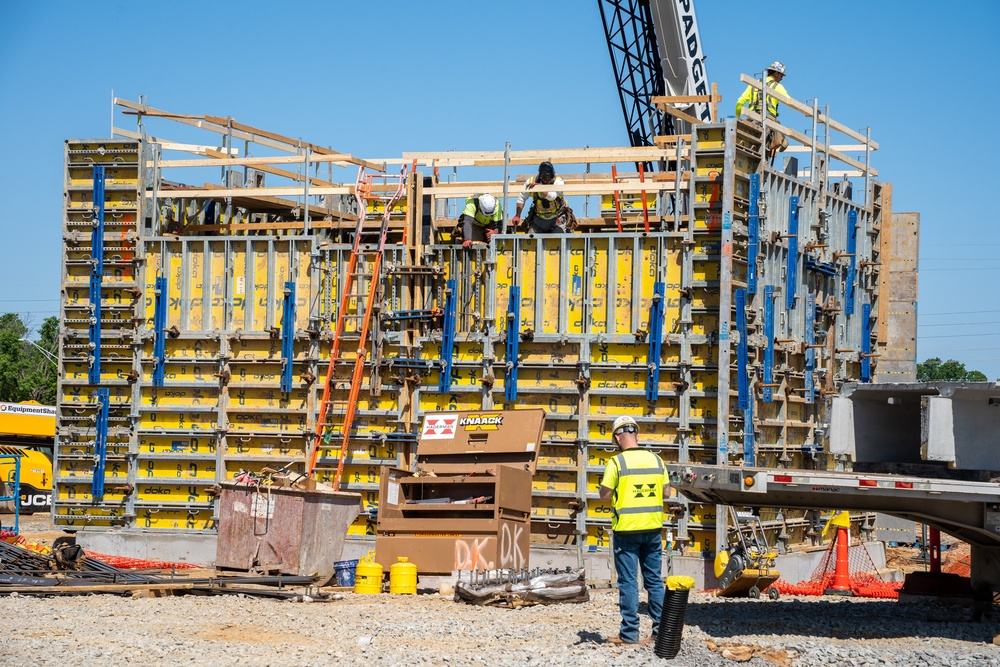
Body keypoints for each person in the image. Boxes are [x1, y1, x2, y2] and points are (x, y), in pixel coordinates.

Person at [599, 415, 666, 646]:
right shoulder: (657, 460)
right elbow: (666, 493)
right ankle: (660, 633)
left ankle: (629, 635)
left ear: (618, 438)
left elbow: (605, 495)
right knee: (655, 582)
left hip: (626, 531)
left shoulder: (616, 463)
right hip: (653, 529)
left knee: (628, 583)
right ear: (636, 434)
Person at [735, 61, 790, 156]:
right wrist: (810, 109)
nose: (781, 78)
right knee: (776, 144)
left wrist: (737, 118)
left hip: (751, 122)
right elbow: (789, 101)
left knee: (750, 149)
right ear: (776, 73)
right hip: (768, 123)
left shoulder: (753, 84)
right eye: (781, 75)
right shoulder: (778, 87)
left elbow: (740, 102)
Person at [510, 161, 574, 234]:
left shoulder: (558, 182)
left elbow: (551, 197)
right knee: (531, 237)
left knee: (559, 238)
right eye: (546, 180)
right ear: (541, 177)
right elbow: (521, 198)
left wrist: (539, 188)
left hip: (557, 219)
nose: (548, 182)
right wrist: (517, 215)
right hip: (539, 220)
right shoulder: (530, 182)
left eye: (550, 180)